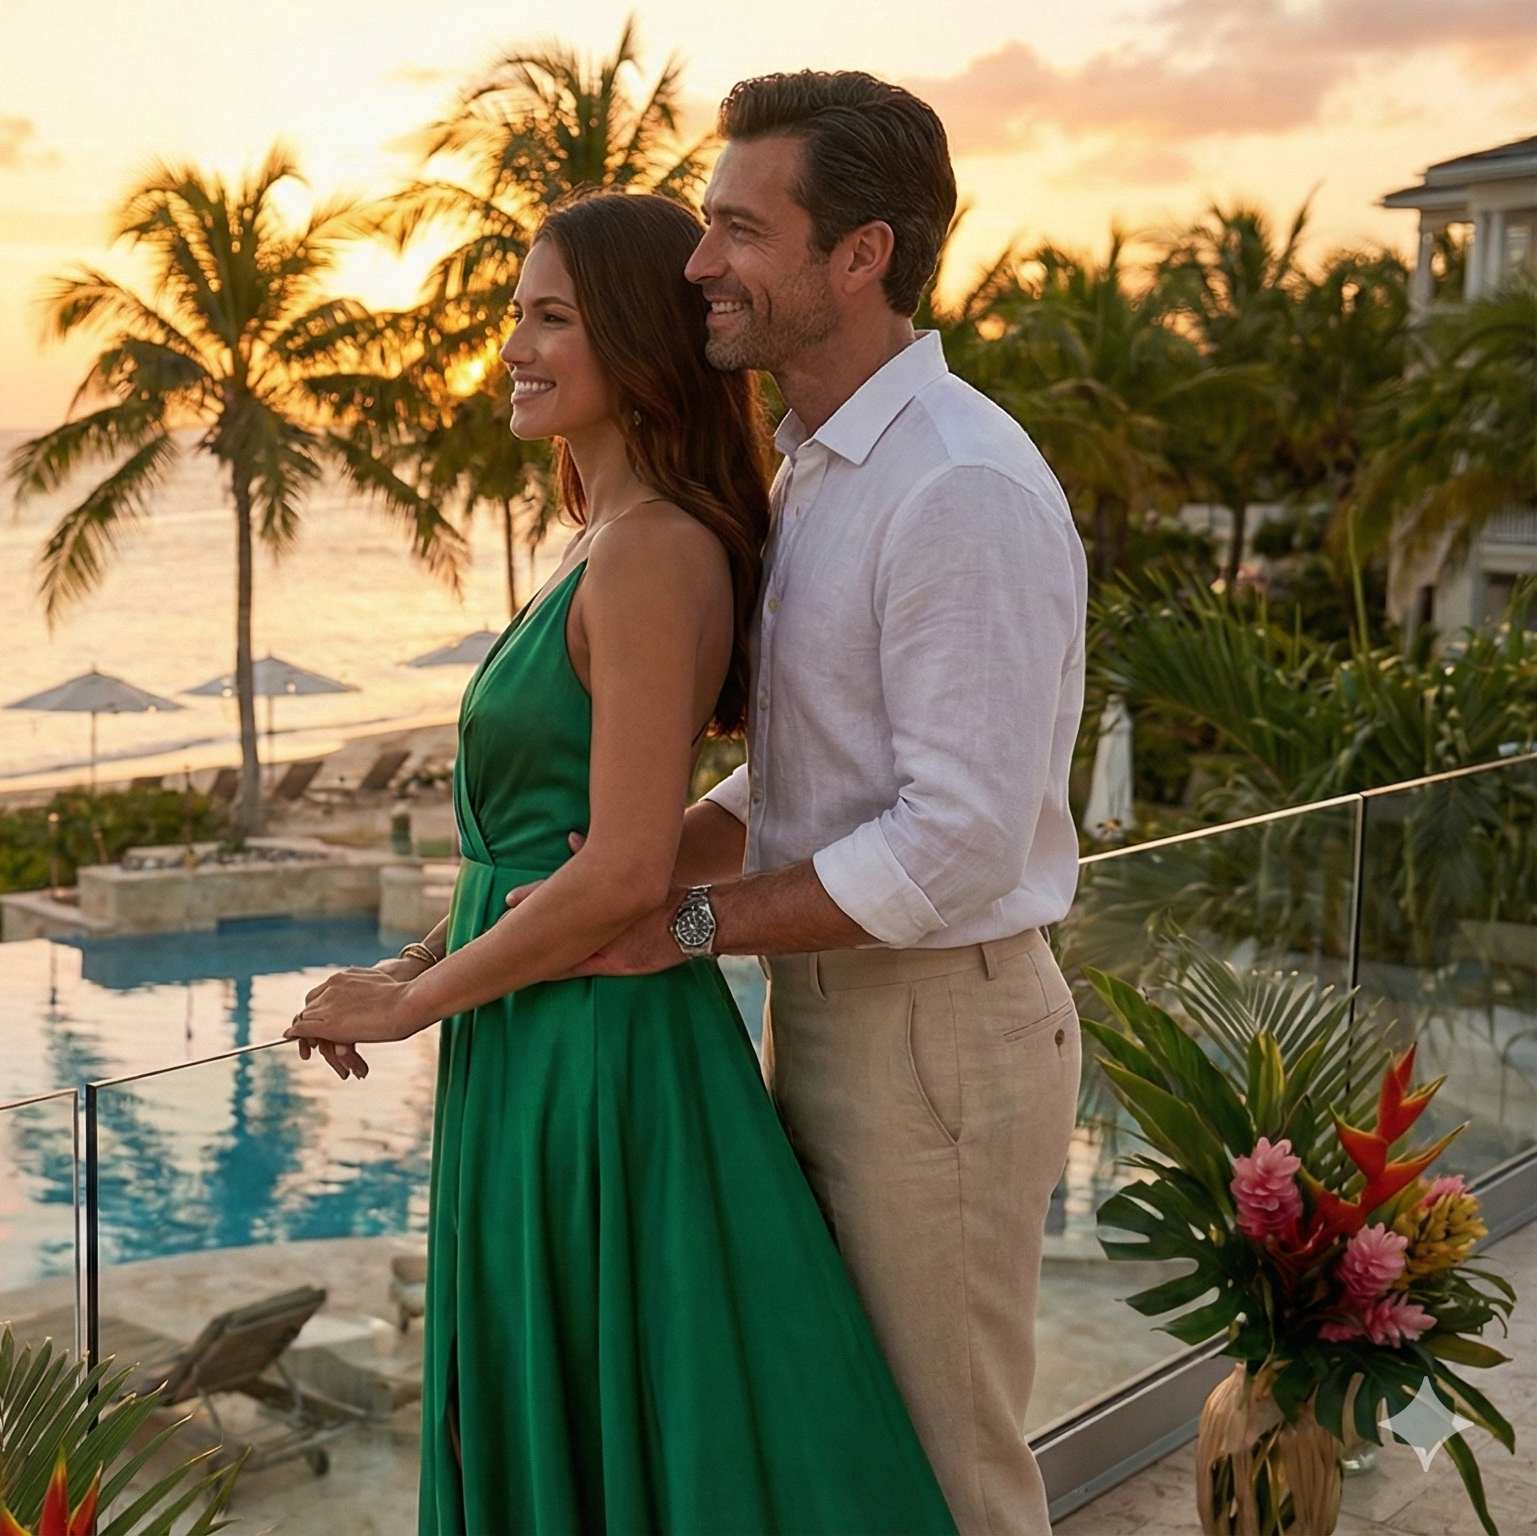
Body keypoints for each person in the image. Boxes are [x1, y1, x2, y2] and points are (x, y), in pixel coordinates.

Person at [285, 191, 958, 1535]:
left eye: (552, 319)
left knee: (637, 1422)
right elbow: (548, 856)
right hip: (536, 1028)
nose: (515, 349)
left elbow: (622, 870)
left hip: (595, 1050)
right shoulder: (611, 537)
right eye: (513, 316)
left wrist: (412, 1006)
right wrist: (413, 960)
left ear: (640, 346)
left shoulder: (652, 553)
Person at [532, 74, 1089, 1536]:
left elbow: (958, 842)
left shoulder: (956, 484)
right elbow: (801, 779)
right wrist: (634, 869)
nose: (700, 262)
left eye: (737, 228)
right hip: (841, 1016)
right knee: (837, 1458)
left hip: (937, 1039)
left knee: (944, 1480)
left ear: (863, 254)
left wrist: (689, 921)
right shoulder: (822, 468)